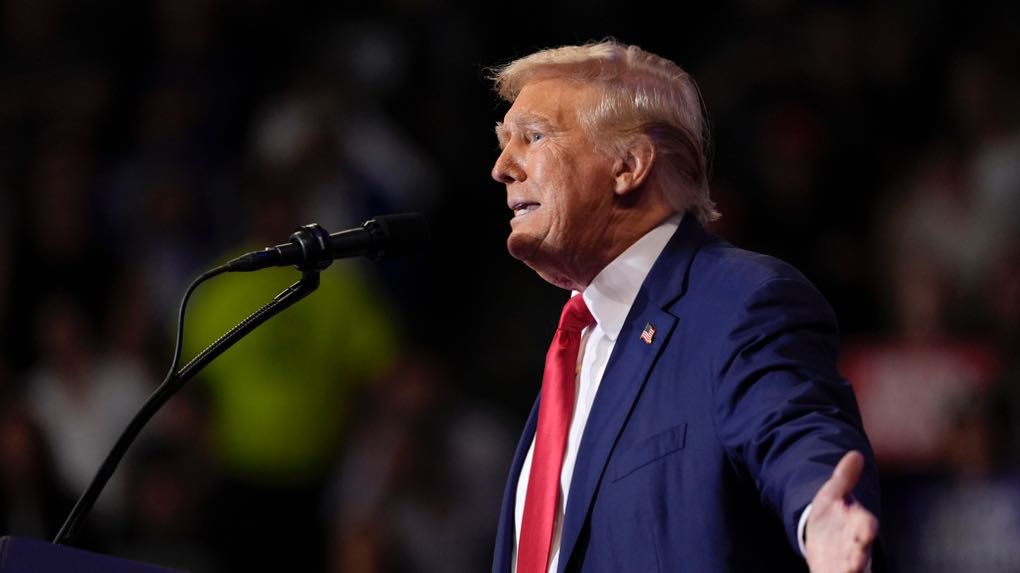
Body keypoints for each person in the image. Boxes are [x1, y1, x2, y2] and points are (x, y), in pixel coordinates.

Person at [487, 40, 881, 573]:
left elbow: (792, 427)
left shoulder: (741, 302)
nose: (502, 168)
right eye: (504, 142)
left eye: (532, 137)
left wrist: (820, 513)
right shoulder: (580, 339)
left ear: (628, 165)